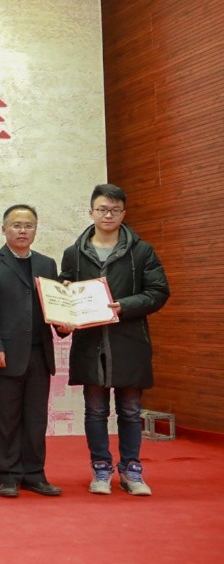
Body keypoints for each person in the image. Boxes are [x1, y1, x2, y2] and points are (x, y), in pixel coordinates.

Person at [60, 184, 169, 496]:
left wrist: (125, 306)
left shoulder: (142, 251)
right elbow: (65, 293)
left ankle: (132, 470)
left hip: (129, 340)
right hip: (90, 343)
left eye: (114, 210)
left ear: (123, 213)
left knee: (131, 410)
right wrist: (64, 310)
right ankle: (101, 468)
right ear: (91, 212)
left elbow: (159, 291)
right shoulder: (73, 253)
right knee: (95, 411)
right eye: (102, 209)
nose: (108, 215)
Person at [0, 205, 61, 498]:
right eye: (16, 225)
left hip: (39, 353)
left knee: (36, 419)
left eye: (29, 225)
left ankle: (34, 474)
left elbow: (54, 306)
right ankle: (7, 475)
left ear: (36, 230)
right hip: (4, 354)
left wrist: (64, 325)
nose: (23, 230)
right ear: (4, 229)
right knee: (5, 419)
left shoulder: (47, 264)